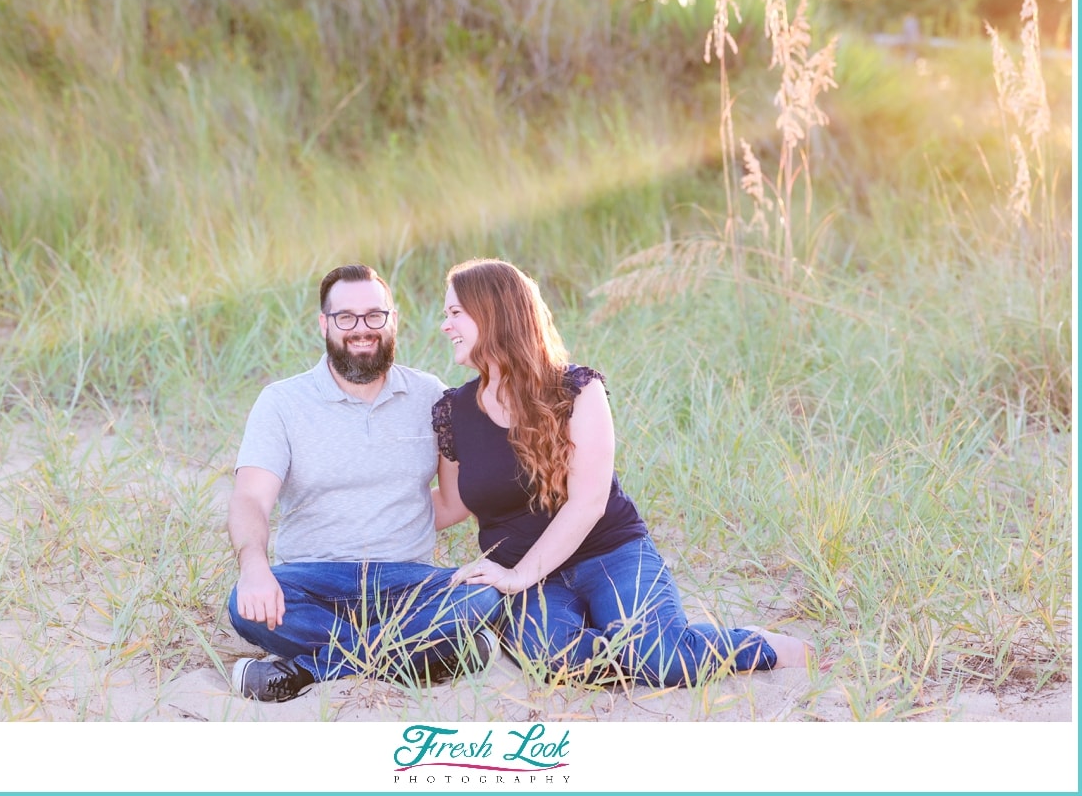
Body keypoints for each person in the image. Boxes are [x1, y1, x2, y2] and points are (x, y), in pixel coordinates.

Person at [431, 258, 814, 688]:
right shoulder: (453, 410)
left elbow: (589, 502)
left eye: (455, 313)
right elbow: (448, 505)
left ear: (494, 313)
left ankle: (755, 644)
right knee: (551, 661)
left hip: (609, 553)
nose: (445, 325)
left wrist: (518, 576)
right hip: (527, 579)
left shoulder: (576, 390)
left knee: (661, 660)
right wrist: (354, 502)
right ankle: (635, 639)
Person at [226, 263, 500, 703]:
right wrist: (254, 567)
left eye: (375, 315)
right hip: (312, 580)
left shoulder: (431, 395)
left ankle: (306, 669)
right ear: (324, 325)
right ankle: (426, 654)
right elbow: (250, 499)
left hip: (406, 581)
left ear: (393, 320)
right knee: (245, 605)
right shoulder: (281, 402)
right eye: (346, 318)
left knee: (483, 596)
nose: (362, 329)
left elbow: (453, 502)